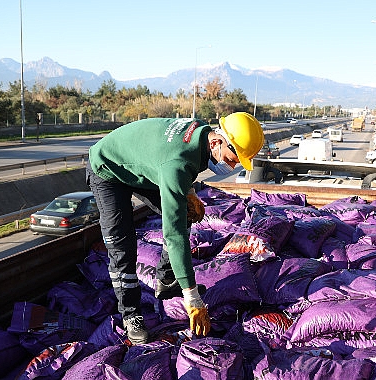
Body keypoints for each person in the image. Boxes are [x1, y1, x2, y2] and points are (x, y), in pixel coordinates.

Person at [86, 112, 265, 344]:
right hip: (107, 169)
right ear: (216, 142)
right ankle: (131, 315)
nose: (232, 166)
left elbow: (176, 163)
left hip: (146, 163)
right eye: (232, 158)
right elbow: (174, 234)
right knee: (122, 246)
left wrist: (188, 193)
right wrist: (192, 297)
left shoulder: (200, 131)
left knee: (186, 213)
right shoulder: (176, 164)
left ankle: (167, 278)